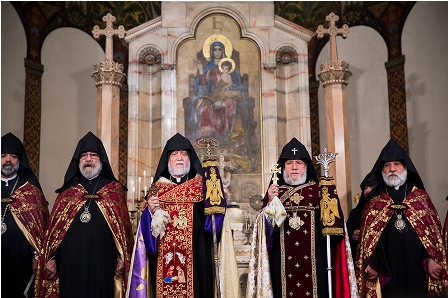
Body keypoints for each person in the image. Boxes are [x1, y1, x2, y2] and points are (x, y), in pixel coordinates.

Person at [127, 133, 239, 298]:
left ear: (190, 159)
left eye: (184, 154)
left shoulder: (203, 187)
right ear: (168, 160)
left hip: (197, 260)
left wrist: (216, 203)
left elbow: (213, 227)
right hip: (162, 263)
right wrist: (150, 212)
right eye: (174, 154)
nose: (179, 157)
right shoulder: (157, 189)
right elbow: (146, 240)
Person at [246, 137, 357, 298]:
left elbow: (336, 231)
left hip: (315, 260)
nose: (294, 167)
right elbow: (264, 235)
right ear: (282, 167)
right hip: (281, 262)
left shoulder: (319, 192)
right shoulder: (276, 193)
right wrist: (269, 203)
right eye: (289, 163)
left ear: (306, 167)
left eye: (299, 163)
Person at [35, 131, 133, 298]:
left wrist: (121, 257)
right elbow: (55, 233)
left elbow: (122, 233)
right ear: (78, 160)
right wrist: (52, 258)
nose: (88, 159)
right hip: (70, 264)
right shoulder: (67, 193)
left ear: (101, 159)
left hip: (103, 264)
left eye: (93, 155)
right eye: (84, 155)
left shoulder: (114, 191)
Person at [356, 139, 448, 297]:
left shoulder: (420, 198)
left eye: (397, 164)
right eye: (387, 165)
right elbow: (367, 240)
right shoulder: (374, 201)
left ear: (405, 167)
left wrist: (431, 259)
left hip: (417, 269)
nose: (392, 169)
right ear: (382, 170)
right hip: (387, 271)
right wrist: (370, 263)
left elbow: (433, 236)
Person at [1, 132, 49, 297]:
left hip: (21, 261)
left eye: (13, 156)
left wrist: (37, 255)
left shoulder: (31, 191)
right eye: (3, 155)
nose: (8, 160)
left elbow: (41, 229)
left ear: (19, 160)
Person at [346, 172, 378, 260]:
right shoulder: (355, 213)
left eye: (370, 187)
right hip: (359, 259)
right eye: (365, 188)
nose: (367, 190)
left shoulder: (385, 211)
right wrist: (353, 236)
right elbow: (346, 236)